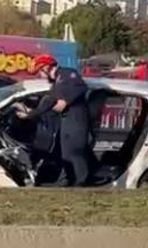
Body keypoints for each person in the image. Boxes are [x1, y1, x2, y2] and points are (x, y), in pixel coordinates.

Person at [14, 54, 93, 186]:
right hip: (68, 122)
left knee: (74, 153)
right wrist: (31, 114)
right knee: (66, 154)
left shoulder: (67, 74)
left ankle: (81, 183)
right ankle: (71, 181)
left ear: (46, 67)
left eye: (40, 71)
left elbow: (81, 87)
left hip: (77, 122)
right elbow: (49, 102)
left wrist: (66, 101)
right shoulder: (57, 82)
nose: (40, 75)